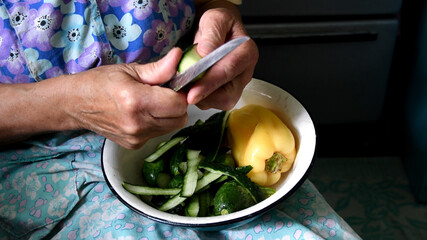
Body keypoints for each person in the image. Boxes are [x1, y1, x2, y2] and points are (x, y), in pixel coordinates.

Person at [0, 0, 361, 239]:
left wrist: (220, 18)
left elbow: (215, 3)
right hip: (35, 158)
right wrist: (68, 105)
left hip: (196, 125)